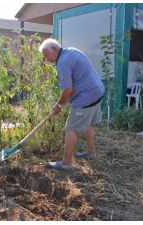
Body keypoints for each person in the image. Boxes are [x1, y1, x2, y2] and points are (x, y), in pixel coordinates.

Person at [39, 38, 105, 171]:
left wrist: (58, 105)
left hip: (86, 96)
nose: (46, 59)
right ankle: (91, 153)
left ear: (55, 49)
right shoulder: (71, 51)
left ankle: (66, 163)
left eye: (47, 55)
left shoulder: (62, 62)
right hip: (97, 91)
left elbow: (67, 89)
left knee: (71, 128)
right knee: (89, 124)